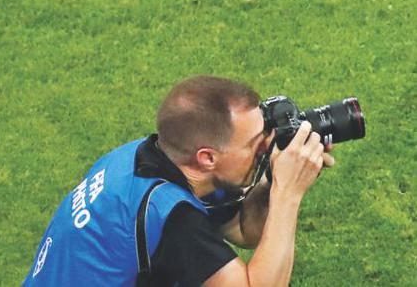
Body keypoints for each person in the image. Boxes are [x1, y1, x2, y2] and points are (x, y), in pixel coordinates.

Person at [20, 75, 335, 286]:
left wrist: (273, 179)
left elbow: (243, 229)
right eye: (255, 142)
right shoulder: (172, 217)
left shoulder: (143, 158)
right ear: (207, 157)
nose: (266, 144)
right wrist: (288, 193)